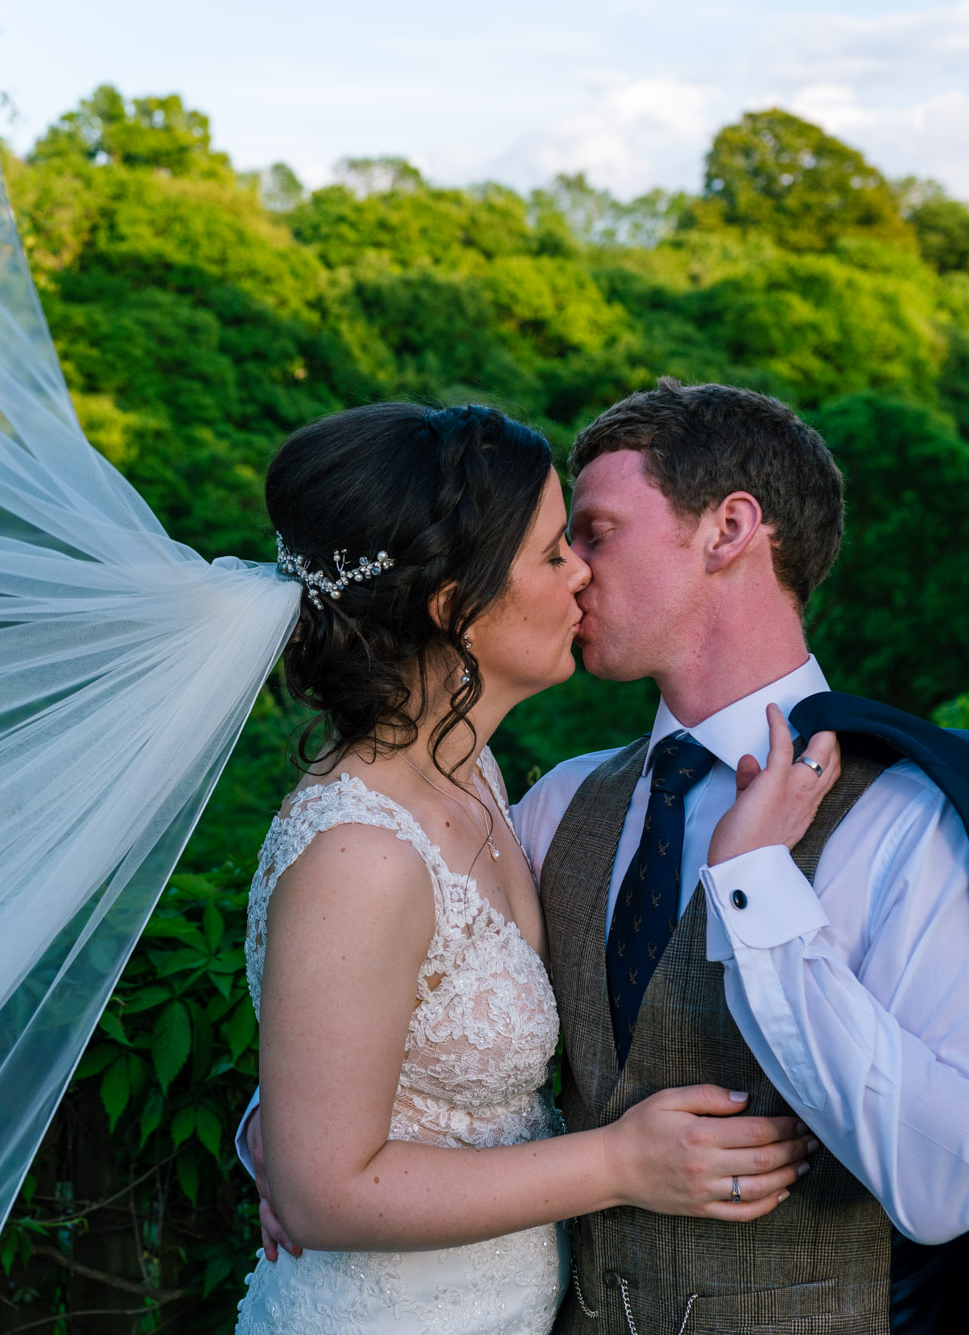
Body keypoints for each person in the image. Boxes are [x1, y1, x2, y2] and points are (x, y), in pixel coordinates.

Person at [245, 380, 969, 1333]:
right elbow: (390, 1021)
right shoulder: (552, 804)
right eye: (560, 547)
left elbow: (950, 1184)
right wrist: (292, 1145)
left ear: (729, 529)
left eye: (594, 530)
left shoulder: (913, 822)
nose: (574, 572)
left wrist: (755, 888)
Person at [234, 399, 837, 1334]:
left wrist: (276, 1118)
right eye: (557, 551)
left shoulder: (476, 780)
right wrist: (620, 1163)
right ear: (453, 606)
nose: (584, 575)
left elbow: (386, 1042)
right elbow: (321, 1194)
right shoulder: (359, 849)